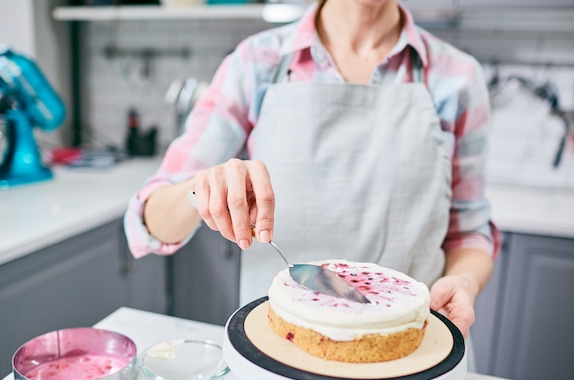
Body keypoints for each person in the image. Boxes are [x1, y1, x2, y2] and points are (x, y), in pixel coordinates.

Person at [124, 0, 500, 342]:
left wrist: (464, 281)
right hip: (282, 349)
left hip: (411, 350)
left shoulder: (457, 77)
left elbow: (469, 230)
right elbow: (148, 222)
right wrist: (199, 187)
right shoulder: (256, 64)